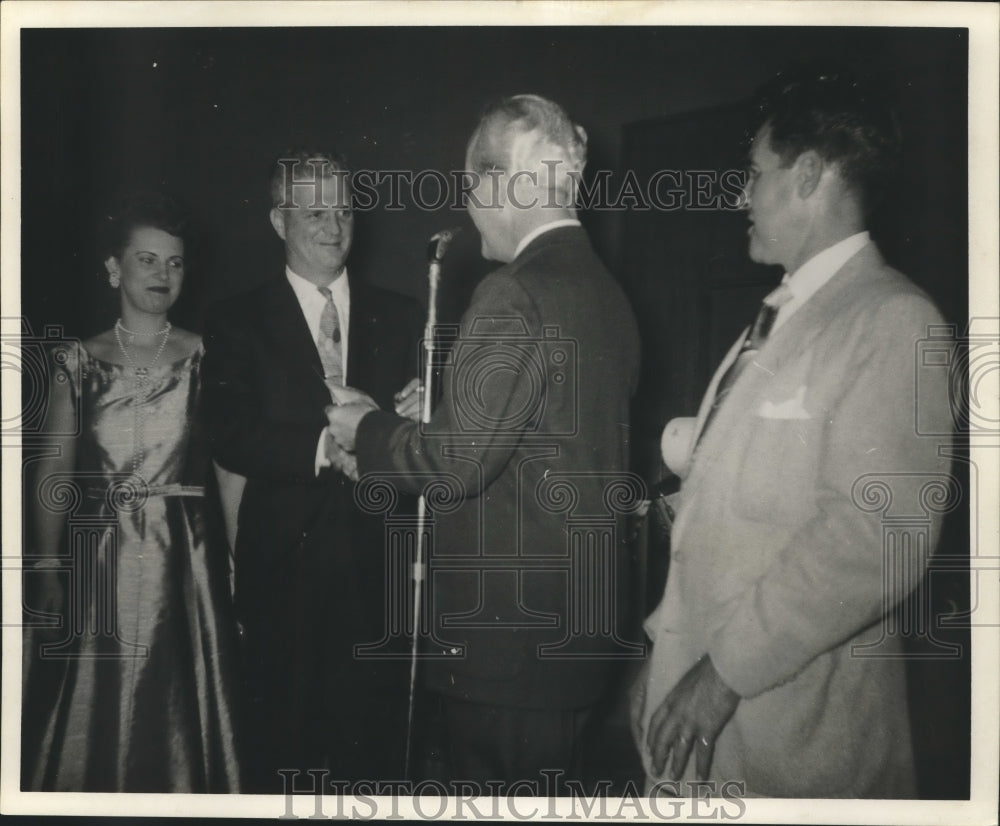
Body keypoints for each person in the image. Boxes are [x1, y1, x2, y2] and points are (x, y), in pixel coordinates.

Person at [631, 65, 954, 797]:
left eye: (755, 172)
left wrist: (718, 678)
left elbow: (873, 540)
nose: (742, 194)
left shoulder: (894, 321)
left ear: (809, 176)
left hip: (796, 744)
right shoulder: (781, 315)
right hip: (711, 728)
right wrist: (665, 667)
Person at [326, 95, 642, 790]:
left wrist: (367, 429)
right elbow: (540, 440)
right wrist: (434, 417)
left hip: (507, 653)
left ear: (502, 182)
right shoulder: (605, 292)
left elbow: (456, 463)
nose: (470, 210)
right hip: (575, 639)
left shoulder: (512, 292)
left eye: (472, 187)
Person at [201, 148, 423, 790]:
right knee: (285, 753)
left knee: (376, 754)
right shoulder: (236, 319)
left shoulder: (407, 316)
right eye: (316, 211)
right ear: (279, 221)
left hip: (382, 570)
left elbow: (428, 443)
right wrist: (332, 445)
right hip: (284, 574)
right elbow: (230, 433)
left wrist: (420, 417)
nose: (334, 225)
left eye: (346, 210)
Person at [21, 192, 242, 792]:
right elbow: (52, 472)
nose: (162, 274)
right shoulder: (77, 361)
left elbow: (227, 468)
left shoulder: (206, 356)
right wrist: (44, 570)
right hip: (103, 562)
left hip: (185, 564)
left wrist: (235, 561)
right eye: (146, 260)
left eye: (174, 263)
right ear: (115, 268)